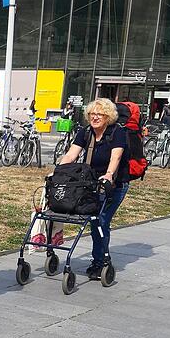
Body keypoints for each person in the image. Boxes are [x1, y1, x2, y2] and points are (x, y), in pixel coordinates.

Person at [58, 98, 129, 280]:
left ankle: (101, 262)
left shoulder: (117, 133)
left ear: (108, 117)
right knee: (93, 220)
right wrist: (58, 172)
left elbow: (116, 158)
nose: (95, 117)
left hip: (114, 184)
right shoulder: (85, 132)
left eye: (100, 114)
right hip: (90, 183)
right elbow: (72, 154)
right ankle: (100, 257)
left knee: (101, 221)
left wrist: (109, 175)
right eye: (92, 114)